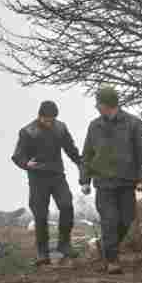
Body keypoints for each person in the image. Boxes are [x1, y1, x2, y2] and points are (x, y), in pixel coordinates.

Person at [78, 86, 142, 274]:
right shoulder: (94, 126)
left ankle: (103, 247)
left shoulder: (133, 124)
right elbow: (87, 154)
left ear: (106, 104)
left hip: (127, 182)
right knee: (109, 220)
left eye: (98, 103)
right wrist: (85, 180)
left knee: (126, 219)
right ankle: (112, 261)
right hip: (104, 183)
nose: (96, 106)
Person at [11, 100, 83, 266]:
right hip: (37, 178)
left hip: (57, 175)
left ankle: (64, 245)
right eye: (47, 120)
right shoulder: (28, 132)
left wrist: (79, 161)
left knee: (66, 205)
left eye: (52, 120)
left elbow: (70, 149)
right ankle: (42, 253)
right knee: (40, 215)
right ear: (39, 116)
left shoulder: (60, 128)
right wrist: (25, 164)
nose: (50, 123)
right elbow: (17, 156)